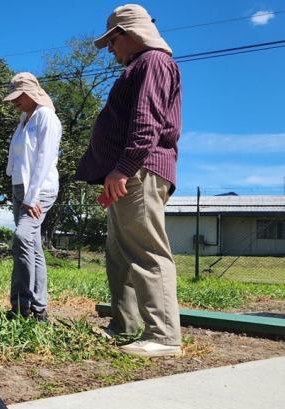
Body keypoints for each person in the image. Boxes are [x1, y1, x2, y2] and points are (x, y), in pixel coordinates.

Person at [75, 4, 182, 357]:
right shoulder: (139, 66)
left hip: (140, 169)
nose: (109, 48)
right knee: (120, 252)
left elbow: (146, 122)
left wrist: (123, 169)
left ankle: (165, 336)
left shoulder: (153, 62)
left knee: (147, 250)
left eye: (112, 39)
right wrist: (113, 173)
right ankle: (126, 324)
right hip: (126, 171)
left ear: (131, 33)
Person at [3, 72, 62, 322]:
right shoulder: (24, 118)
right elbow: (17, 156)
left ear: (31, 93)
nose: (14, 102)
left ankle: (22, 303)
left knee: (22, 238)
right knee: (33, 246)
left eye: (18, 97)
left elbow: (44, 160)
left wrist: (32, 196)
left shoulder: (46, 117)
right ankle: (38, 308)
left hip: (39, 189)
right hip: (20, 188)